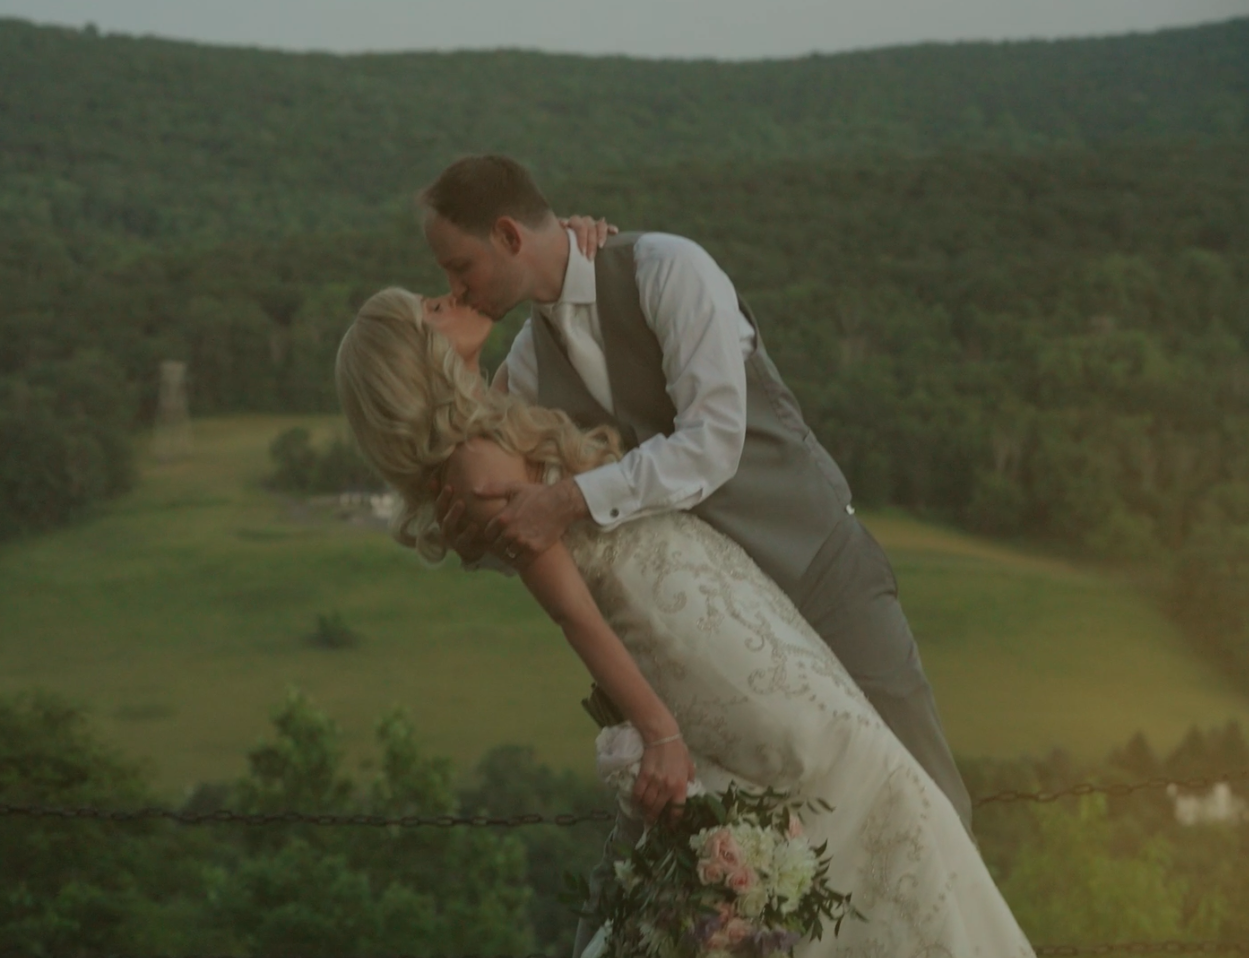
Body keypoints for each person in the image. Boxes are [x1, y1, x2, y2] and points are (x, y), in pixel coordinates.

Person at [333, 289, 1033, 956]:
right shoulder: (478, 467)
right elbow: (572, 613)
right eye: (429, 309)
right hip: (677, 629)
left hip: (721, 603)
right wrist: (660, 732)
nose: (448, 298)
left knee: (852, 760)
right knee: (831, 763)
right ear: (411, 362)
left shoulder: (493, 420)